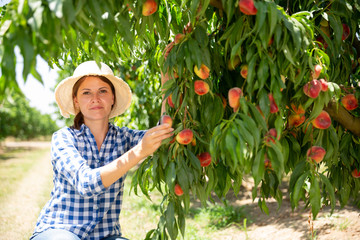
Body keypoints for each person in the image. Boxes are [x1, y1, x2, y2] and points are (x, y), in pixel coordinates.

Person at [30, 61, 173, 240]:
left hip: (105, 235)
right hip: (61, 230)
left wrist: (168, 82)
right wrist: (138, 152)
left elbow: (164, 133)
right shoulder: (64, 138)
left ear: (112, 98)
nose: (95, 99)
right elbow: (85, 183)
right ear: (76, 101)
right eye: (86, 93)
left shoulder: (123, 138)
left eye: (103, 91)